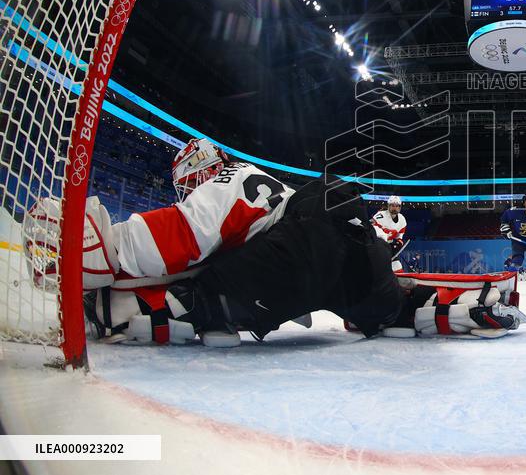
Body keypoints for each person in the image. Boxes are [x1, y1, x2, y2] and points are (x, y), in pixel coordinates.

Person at [24, 138, 413, 346]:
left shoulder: (228, 181)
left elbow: (183, 231)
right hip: (356, 244)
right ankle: (423, 302)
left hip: (303, 244)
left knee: (193, 296)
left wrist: (107, 245)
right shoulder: (263, 185)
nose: (187, 193)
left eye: (187, 184)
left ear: (203, 173)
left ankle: (123, 311)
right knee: (389, 310)